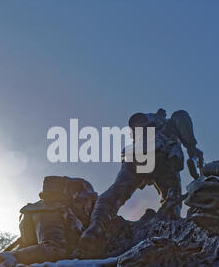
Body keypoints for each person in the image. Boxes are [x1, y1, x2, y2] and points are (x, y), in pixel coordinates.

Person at [79, 108, 203, 256]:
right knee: (173, 196)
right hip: (163, 155)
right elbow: (181, 116)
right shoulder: (167, 124)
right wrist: (192, 147)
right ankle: (171, 229)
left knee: (117, 191)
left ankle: (95, 229)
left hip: (137, 154)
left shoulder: (143, 130)